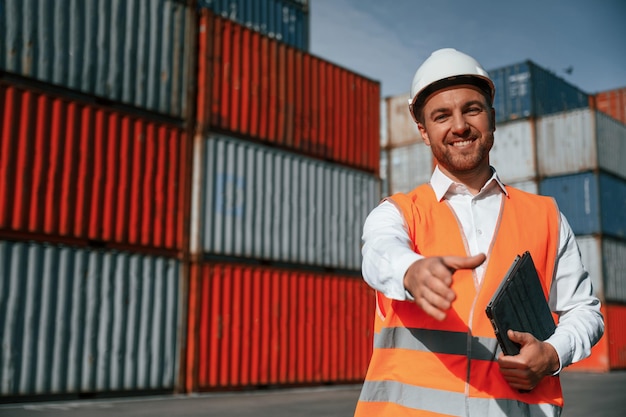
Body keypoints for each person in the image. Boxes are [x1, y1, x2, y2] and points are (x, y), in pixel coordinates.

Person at [354, 48, 604, 417]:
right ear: (423, 132)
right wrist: (411, 271)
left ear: (492, 118)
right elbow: (379, 252)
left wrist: (552, 354)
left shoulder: (547, 216)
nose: (459, 126)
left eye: (472, 109)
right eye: (442, 116)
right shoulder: (398, 213)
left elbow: (585, 311)